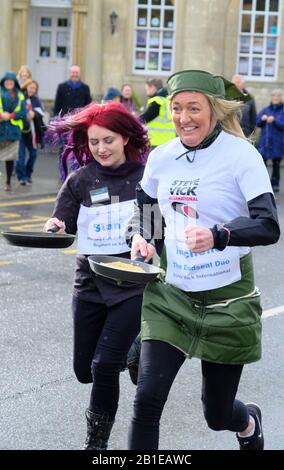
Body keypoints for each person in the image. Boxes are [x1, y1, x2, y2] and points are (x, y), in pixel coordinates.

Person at [127, 69, 280, 450]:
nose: (183, 117)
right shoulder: (161, 157)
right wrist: (142, 237)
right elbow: (146, 212)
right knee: (146, 401)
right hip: (170, 295)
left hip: (227, 299)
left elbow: (268, 225)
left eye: (194, 108)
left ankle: (246, 422)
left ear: (214, 111)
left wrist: (219, 235)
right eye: (177, 108)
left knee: (217, 414)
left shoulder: (241, 154)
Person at [43, 101, 149, 450]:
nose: (101, 148)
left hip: (132, 284)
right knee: (84, 371)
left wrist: (144, 238)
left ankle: (96, 444)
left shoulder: (147, 178)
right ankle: (133, 349)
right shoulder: (81, 180)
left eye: (108, 140)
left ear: (125, 137)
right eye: (94, 142)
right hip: (89, 284)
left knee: (104, 366)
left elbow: (153, 227)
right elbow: (61, 221)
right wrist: (55, 226)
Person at [0, 71, 26, 191]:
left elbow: (23, 113)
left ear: (14, 83)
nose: (9, 83)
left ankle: (8, 182)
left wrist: (10, 116)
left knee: (10, 158)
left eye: (11, 82)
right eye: (7, 81)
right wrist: (1, 115)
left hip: (13, 131)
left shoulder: (20, 95)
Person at [16, 79, 45, 185]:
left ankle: (28, 175)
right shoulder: (20, 97)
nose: (32, 90)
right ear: (26, 87)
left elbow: (40, 113)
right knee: (21, 156)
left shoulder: (36, 100)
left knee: (33, 155)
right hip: (20, 131)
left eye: (34, 88)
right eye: (30, 87)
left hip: (32, 133)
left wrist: (34, 114)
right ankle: (21, 177)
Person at [256, 89, 284, 193]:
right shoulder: (266, 109)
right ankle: (263, 183)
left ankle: (275, 184)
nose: (275, 99)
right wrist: (262, 119)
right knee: (262, 164)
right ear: (271, 98)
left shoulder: (282, 110)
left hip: (278, 143)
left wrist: (275, 120)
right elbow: (257, 123)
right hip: (265, 142)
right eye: (274, 97)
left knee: (276, 165)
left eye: (277, 97)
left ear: (280, 98)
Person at [140, 78, 176, 149]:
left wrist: (132, 121)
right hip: (169, 140)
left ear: (152, 87)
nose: (147, 92)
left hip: (156, 141)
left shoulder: (157, 101)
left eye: (147, 89)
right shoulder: (167, 100)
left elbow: (146, 118)